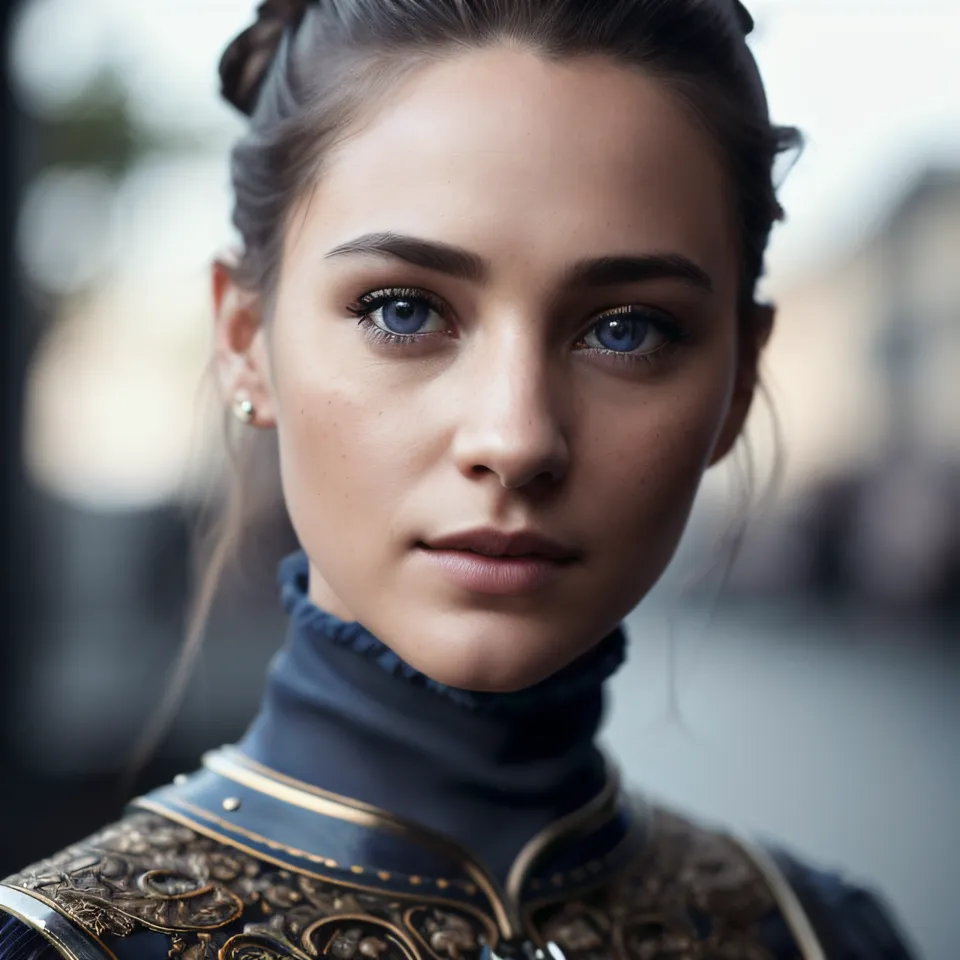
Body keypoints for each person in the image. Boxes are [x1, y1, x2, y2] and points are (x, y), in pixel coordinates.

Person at [0, 1, 916, 958]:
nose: (516, 439)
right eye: (402, 310)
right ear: (245, 343)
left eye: (628, 329)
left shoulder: (821, 937)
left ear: (739, 381)